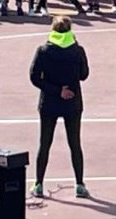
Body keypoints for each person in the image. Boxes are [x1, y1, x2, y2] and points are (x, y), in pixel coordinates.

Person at [29, 15, 90, 199]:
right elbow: (84, 75)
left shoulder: (44, 50)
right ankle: (79, 184)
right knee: (75, 144)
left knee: (45, 143)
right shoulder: (77, 50)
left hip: (49, 101)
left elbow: (34, 77)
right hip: (72, 101)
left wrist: (56, 90)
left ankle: (38, 184)